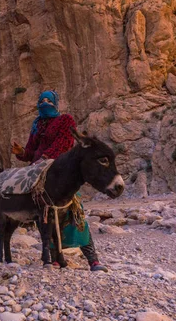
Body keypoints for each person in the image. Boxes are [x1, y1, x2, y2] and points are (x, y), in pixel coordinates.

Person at [11, 90, 108, 272]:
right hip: (39, 172)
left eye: (48, 100)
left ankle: (93, 259)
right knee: (44, 214)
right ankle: (54, 257)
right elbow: (32, 151)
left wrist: (46, 156)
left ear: (56, 103)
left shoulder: (65, 120)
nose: (44, 103)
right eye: (41, 100)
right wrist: (22, 153)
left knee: (75, 212)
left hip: (61, 170)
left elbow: (64, 143)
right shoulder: (37, 125)